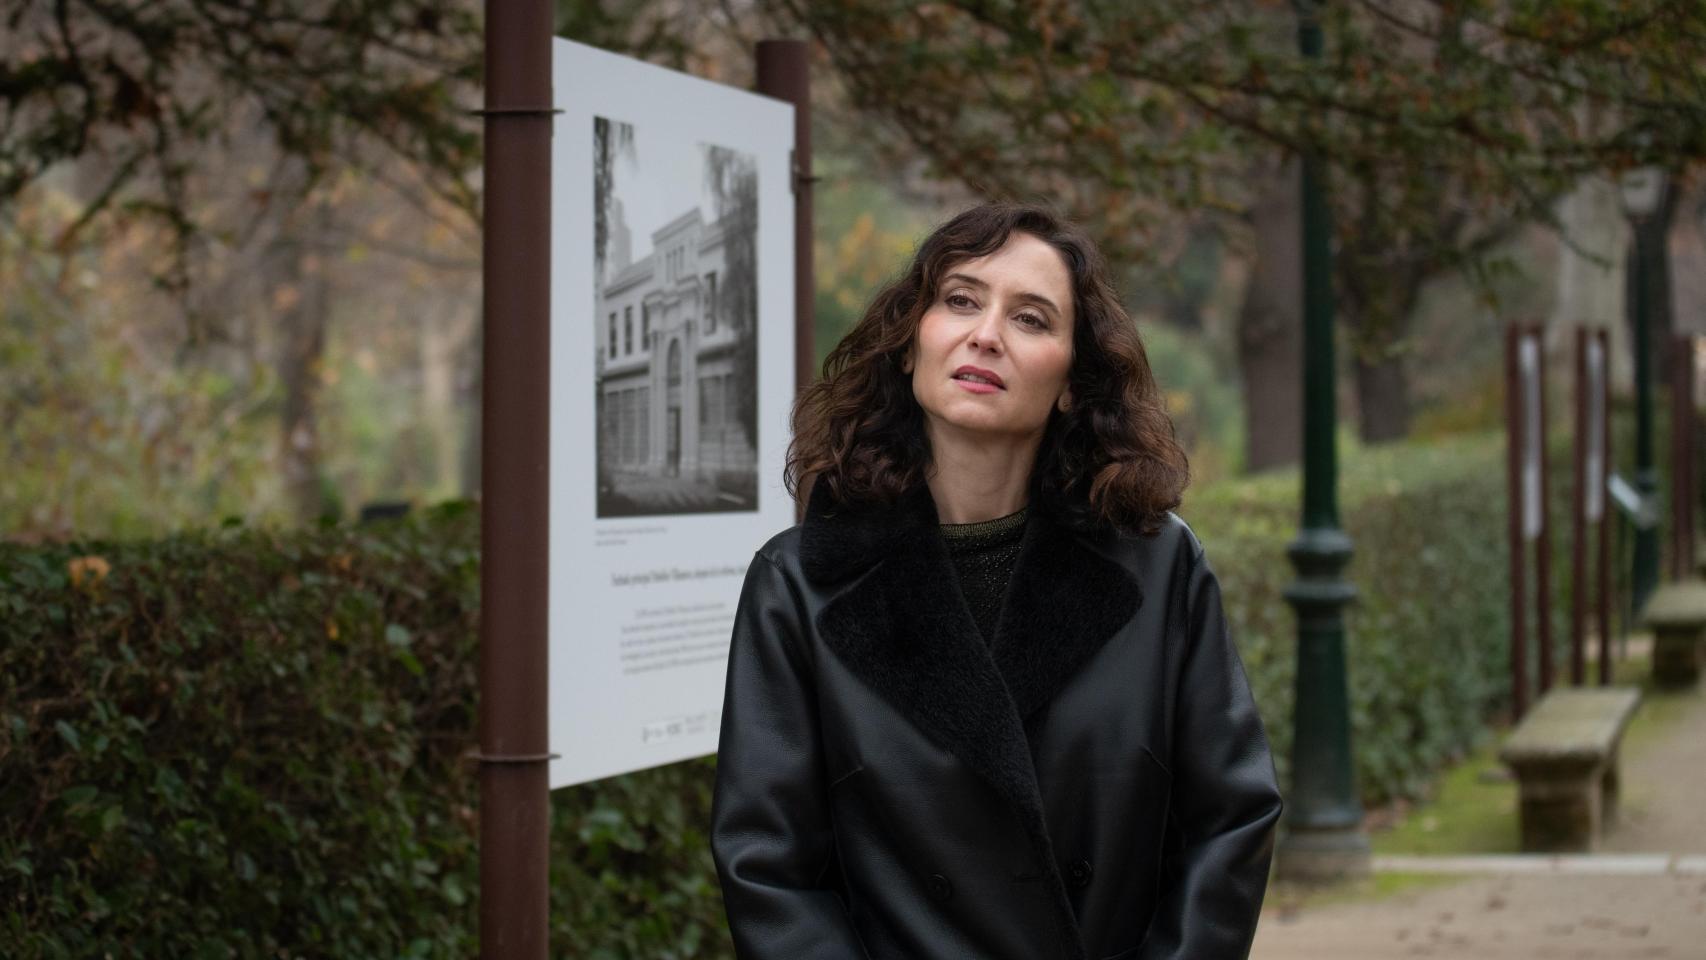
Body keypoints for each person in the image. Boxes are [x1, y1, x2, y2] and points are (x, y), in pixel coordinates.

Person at [710, 202, 1282, 960]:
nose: (986, 334)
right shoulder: (798, 586)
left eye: (1033, 319)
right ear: (911, 343)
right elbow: (770, 869)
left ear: (1074, 381)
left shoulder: (1159, 566)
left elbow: (1229, 819)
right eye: (960, 300)